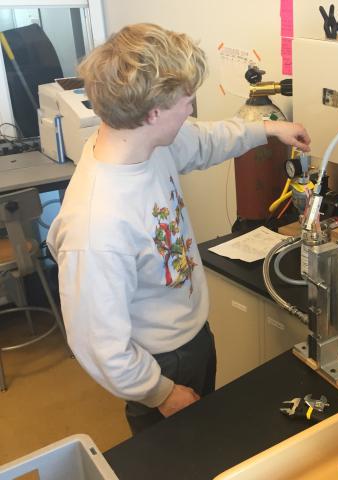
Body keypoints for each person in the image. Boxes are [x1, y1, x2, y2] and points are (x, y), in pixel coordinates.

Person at [47, 23, 310, 435]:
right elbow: (99, 344)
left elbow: (203, 139)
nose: (191, 109)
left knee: (205, 437)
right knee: (177, 456)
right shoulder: (96, 223)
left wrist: (268, 130)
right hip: (158, 364)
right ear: (153, 112)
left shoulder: (143, 141)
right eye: (187, 100)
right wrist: (161, 393)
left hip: (191, 334)